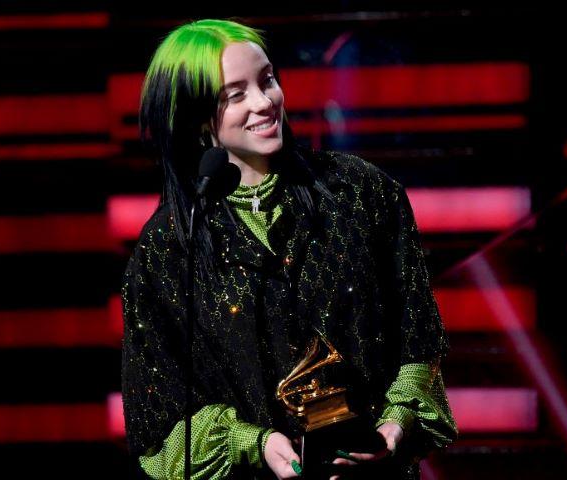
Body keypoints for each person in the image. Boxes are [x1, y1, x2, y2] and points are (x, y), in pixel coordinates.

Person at [121, 18, 458, 480]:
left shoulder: (361, 192)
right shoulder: (167, 248)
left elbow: (420, 344)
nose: (264, 102)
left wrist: (394, 427)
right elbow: (159, 424)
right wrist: (254, 443)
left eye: (267, 80)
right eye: (235, 94)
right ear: (197, 118)